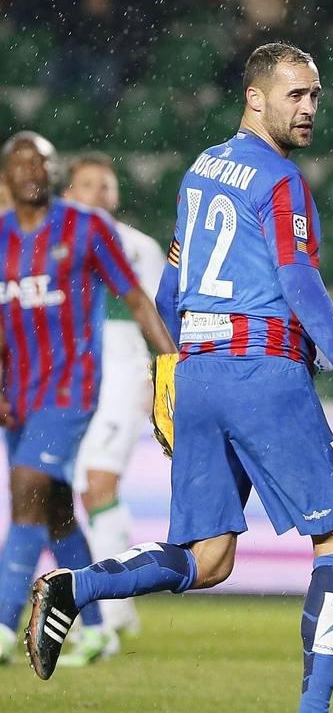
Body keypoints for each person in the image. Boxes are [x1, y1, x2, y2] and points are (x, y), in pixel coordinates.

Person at [26, 44, 333, 713]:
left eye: (315, 96)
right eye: (295, 95)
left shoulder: (200, 170)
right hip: (262, 372)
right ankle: (314, 710)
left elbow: (171, 285)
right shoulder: (281, 181)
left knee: (209, 558)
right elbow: (298, 279)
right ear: (255, 98)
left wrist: (168, 377)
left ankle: (77, 589)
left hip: (197, 373)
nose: (309, 108)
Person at [0, 131, 176, 666]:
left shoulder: (86, 228)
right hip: (17, 396)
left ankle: (4, 623)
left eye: (43, 162)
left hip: (70, 389)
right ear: (6, 177)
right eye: (21, 163)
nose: (33, 171)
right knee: (55, 511)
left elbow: (138, 300)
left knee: (26, 493)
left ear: (56, 173)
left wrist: (173, 368)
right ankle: (97, 627)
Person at [62, 152, 166, 640]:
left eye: (106, 186)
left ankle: (108, 611)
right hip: (74, 381)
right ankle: (112, 613)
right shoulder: (53, 245)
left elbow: (161, 312)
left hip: (122, 376)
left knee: (98, 484)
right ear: (68, 195)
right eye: (87, 185)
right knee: (88, 490)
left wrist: (160, 373)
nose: (98, 194)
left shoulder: (136, 246)